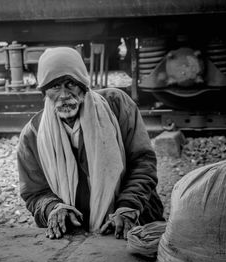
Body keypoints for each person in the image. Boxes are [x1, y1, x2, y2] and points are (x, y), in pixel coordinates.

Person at [17, 47, 164, 240]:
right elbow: (35, 192)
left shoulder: (117, 105)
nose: (63, 95)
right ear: (44, 93)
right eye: (54, 87)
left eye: (70, 84)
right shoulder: (32, 135)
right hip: (75, 233)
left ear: (84, 85)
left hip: (132, 221)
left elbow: (143, 163)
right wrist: (54, 208)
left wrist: (127, 208)